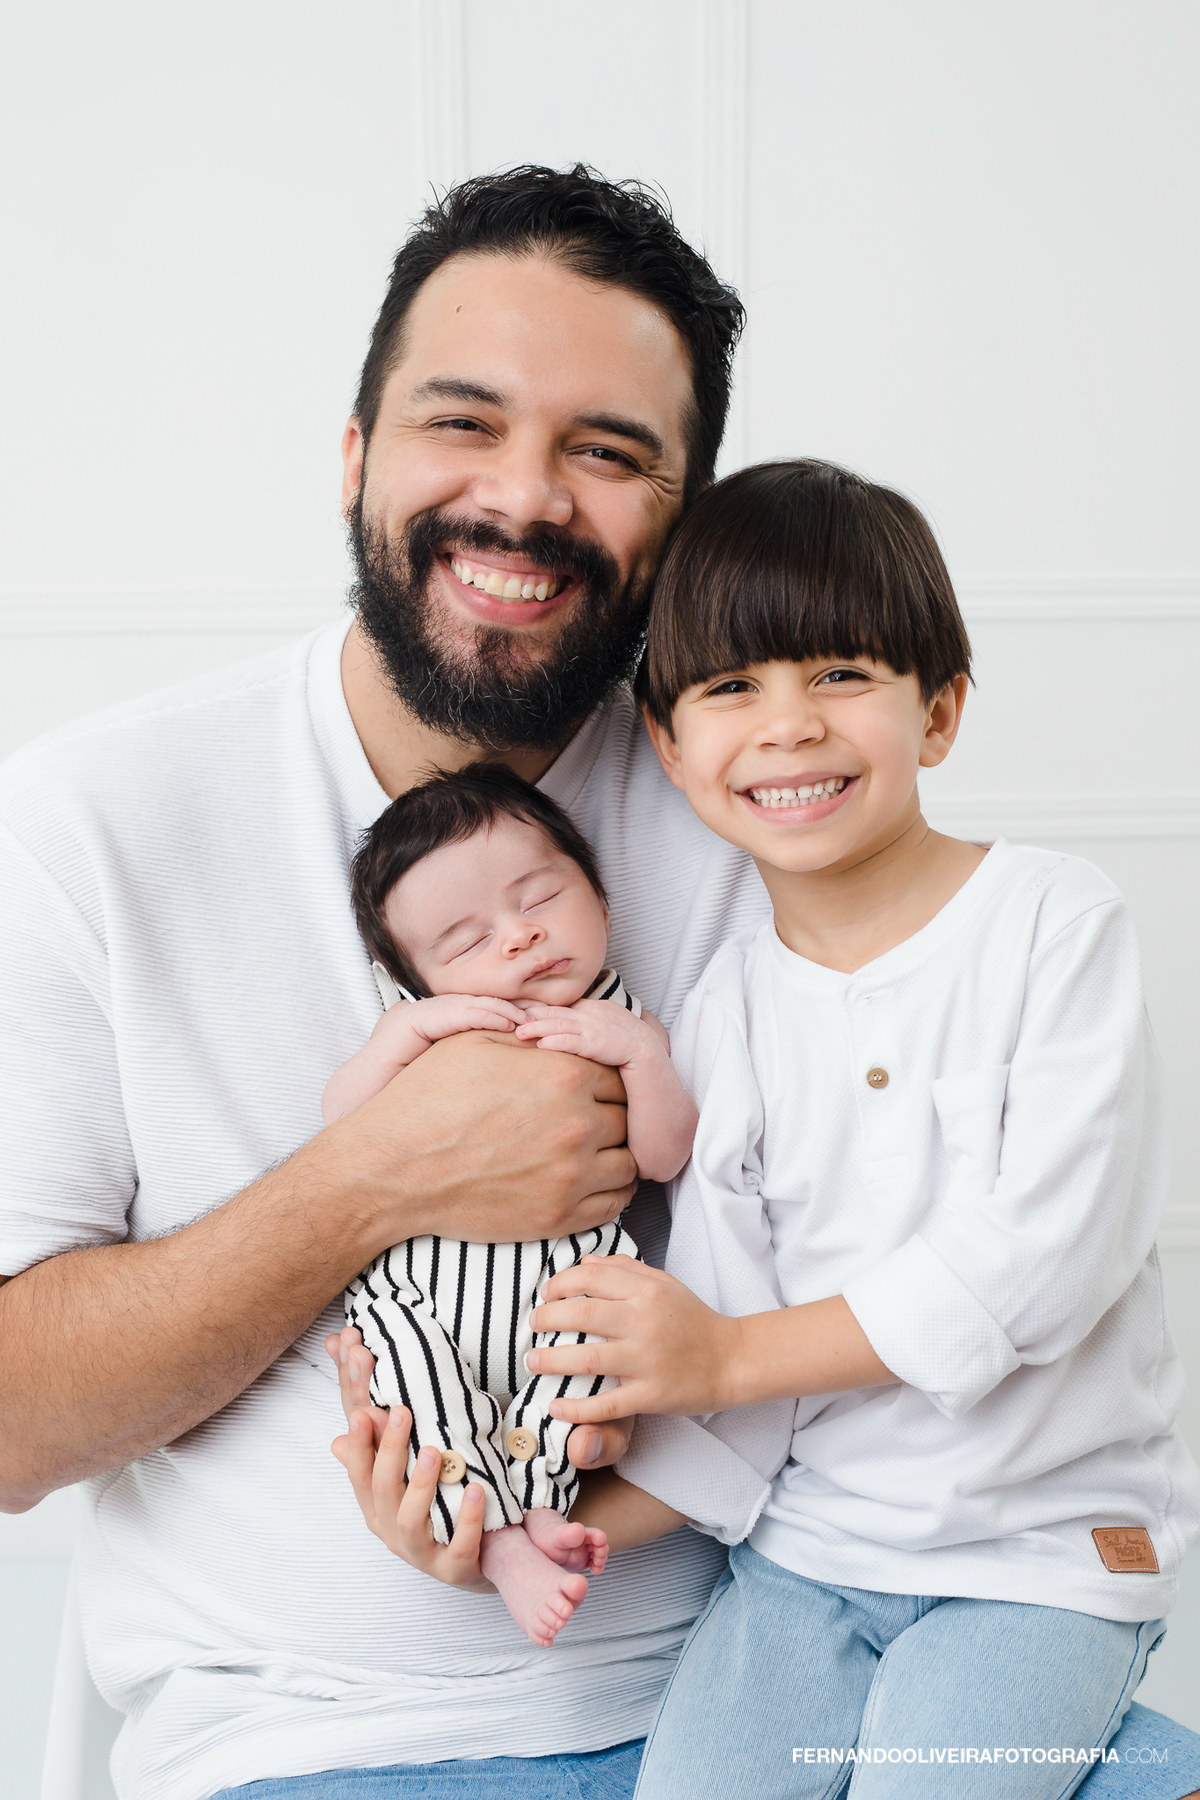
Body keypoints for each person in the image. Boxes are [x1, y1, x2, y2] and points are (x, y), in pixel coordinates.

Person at [0, 162, 1194, 1800]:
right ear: (354, 459)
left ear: (686, 522)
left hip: (786, 1644)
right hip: (338, 1741)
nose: (525, 498)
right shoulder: (94, 823)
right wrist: (371, 1183)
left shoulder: (767, 800)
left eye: (609, 453)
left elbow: (956, 1231)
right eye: (462, 421)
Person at [471, 459, 1199, 1799]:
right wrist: (550, 1526)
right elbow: (734, 1387)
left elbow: (1042, 1256)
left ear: (942, 711)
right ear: (670, 744)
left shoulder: (1051, 920)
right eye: (734, 688)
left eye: (843, 675)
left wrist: (724, 1354)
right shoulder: (727, 1015)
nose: (790, 728)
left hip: (1039, 1564)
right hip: (805, 1566)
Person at [324, 762, 696, 1646]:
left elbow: (664, 1155)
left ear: (601, 900)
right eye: (466, 941)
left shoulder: (630, 1022)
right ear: (419, 982)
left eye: (540, 897)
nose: (520, 939)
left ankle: (537, 1511)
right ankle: (492, 1539)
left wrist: (642, 1060)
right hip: (422, 1299)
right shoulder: (426, 1030)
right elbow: (342, 1136)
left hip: (570, 1286)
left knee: (595, 1373)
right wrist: (399, 1038)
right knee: (405, 1392)